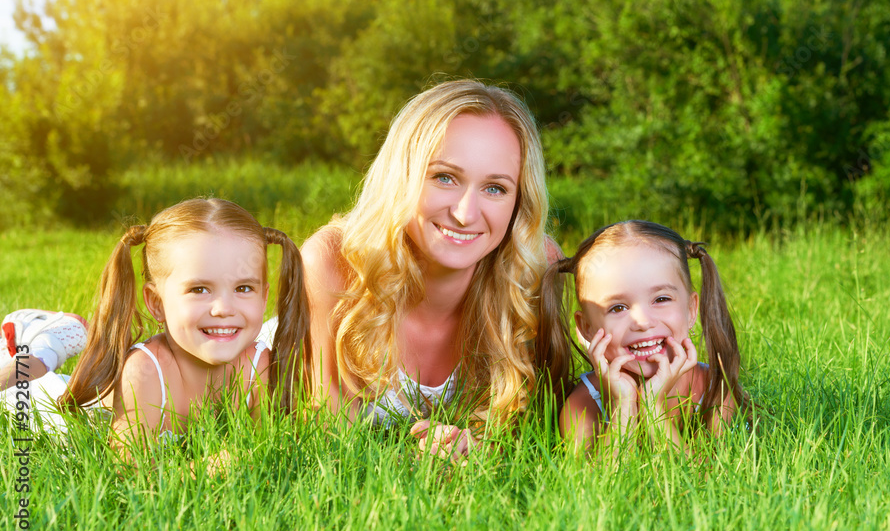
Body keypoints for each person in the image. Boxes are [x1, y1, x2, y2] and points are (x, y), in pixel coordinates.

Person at [301, 79, 565, 460]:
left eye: (495, 188)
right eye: (445, 177)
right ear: (401, 177)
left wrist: (477, 449)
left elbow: (540, 433)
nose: (465, 213)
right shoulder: (332, 262)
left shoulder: (534, 267)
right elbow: (327, 438)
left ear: (519, 199)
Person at [3, 198, 310, 447]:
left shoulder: (259, 365)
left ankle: (56, 341)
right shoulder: (145, 370)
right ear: (157, 303)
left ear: (264, 295)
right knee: (22, 389)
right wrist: (211, 468)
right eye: (199, 289)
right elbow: (130, 471)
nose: (223, 309)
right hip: (55, 405)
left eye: (243, 288)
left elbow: (269, 448)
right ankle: (47, 341)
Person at [537, 220, 746, 454]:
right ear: (586, 328)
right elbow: (597, 485)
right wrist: (623, 406)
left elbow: (713, 482)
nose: (643, 322)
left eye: (661, 299)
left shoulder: (714, 389)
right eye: (617, 308)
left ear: (690, 310)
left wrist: (653, 409)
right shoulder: (585, 402)